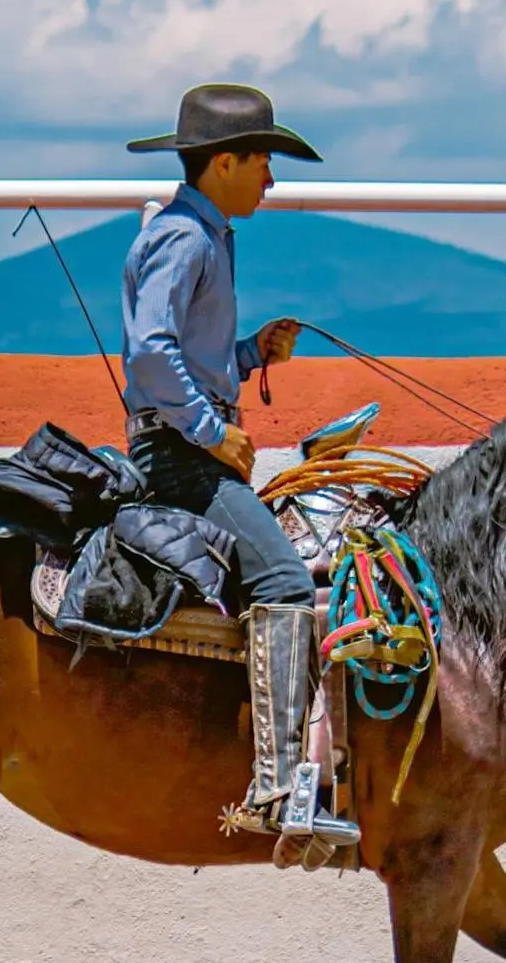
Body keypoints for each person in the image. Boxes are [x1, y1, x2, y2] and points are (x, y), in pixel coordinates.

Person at [122, 83, 356, 851]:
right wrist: (208, 431)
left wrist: (253, 352)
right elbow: (150, 351)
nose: (270, 179)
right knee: (288, 580)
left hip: (189, 442)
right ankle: (278, 786)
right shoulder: (188, 239)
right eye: (261, 161)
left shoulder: (203, 234)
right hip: (182, 455)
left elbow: (184, 351)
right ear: (223, 162)